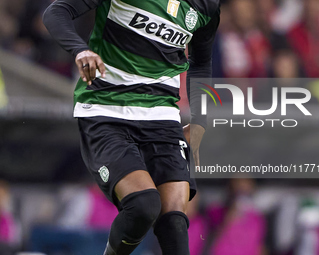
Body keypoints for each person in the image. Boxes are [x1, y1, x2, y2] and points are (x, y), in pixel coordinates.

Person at [43, 0, 220, 254]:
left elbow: (201, 62)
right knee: (143, 205)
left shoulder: (207, 6)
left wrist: (201, 120)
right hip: (106, 109)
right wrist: (80, 50)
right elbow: (57, 11)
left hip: (162, 115)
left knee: (174, 222)